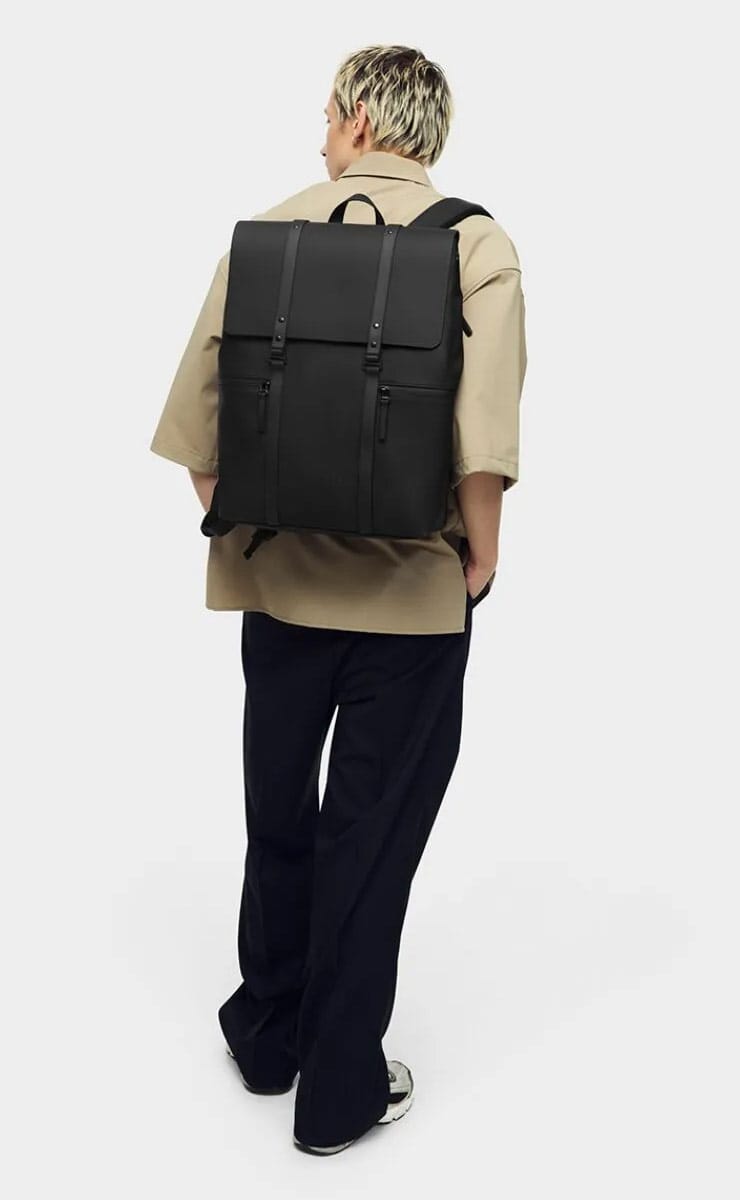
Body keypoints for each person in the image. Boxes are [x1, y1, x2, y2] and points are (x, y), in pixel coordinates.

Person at [149, 43, 527, 1155]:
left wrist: (258, 531)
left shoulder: (266, 233)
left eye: (326, 115)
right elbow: (484, 433)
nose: (319, 135)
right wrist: (480, 560)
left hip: (279, 591)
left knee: (278, 816)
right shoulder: (476, 244)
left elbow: (197, 435)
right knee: (370, 841)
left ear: (362, 119)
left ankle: (267, 1040)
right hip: (411, 599)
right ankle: (337, 1094)